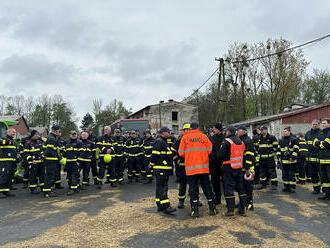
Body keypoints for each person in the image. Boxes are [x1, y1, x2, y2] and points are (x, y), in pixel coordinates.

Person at [178, 122, 217, 218]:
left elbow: (181, 153)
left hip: (191, 169)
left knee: (193, 188)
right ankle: (212, 209)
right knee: (207, 187)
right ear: (198, 127)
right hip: (203, 167)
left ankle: (195, 211)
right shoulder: (204, 136)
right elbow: (210, 150)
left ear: (190, 128)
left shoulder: (185, 138)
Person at [218, 126, 247, 216]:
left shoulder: (227, 141)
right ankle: (243, 210)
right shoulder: (241, 142)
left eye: (226, 131)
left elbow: (220, 155)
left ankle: (230, 210)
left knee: (229, 188)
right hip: (239, 167)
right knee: (240, 188)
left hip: (228, 167)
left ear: (229, 132)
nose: (225, 133)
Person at [150, 126, 176, 214]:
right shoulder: (159, 141)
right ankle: (166, 206)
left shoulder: (164, 141)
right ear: (163, 133)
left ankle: (160, 205)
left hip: (163, 168)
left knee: (160, 187)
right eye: (168, 132)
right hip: (161, 168)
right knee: (163, 187)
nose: (169, 133)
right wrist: (151, 164)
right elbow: (155, 155)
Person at [237, 125, 255, 210]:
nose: (237, 131)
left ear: (244, 131)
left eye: (239, 130)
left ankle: (249, 203)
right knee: (242, 187)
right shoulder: (241, 140)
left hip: (247, 168)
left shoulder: (247, 141)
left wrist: (247, 168)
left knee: (248, 187)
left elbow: (249, 156)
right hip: (242, 167)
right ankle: (243, 202)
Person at [256, 126, 279, 190]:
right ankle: (263, 184)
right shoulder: (259, 138)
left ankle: (274, 184)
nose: (261, 131)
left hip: (270, 158)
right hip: (262, 158)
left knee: (272, 171)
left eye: (262, 130)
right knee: (262, 171)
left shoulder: (271, 137)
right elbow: (257, 148)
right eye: (261, 130)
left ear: (266, 130)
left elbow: (276, 146)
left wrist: (271, 151)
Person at [278, 127, 299, 193]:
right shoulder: (281, 140)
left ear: (289, 132)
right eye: (284, 131)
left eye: (286, 131)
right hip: (284, 161)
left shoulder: (293, 139)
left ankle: (292, 187)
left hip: (291, 161)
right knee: (284, 174)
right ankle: (286, 186)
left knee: (291, 175)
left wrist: (293, 157)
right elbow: (279, 150)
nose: (284, 132)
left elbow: (296, 149)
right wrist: (279, 157)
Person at [42, 125, 61, 198]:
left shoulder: (50, 137)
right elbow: (49, 150)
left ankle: (48, 189)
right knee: (49, 176)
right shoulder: (51, 138)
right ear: (54, 131)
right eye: (58, 131)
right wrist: (44, 156)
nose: (58, 132)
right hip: (50, 160)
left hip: (51, 159)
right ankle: (47, 192)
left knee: (50, 175)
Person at [313, 118, 330, 200]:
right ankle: (326, 193)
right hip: (322, 160)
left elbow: (326, 144)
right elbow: (314, 143)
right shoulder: (321, 133)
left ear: (329, 124)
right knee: (324, 178)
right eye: (322, 123)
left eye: (324, 123)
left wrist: (320, 143)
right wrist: (320, 143)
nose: (323, 125)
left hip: (329, 160)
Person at [209, 122, 225, 205]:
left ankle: (228, 200)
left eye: (215, 129)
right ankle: (217, 199)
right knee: (215, 183)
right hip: (213, 164)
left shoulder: (225, 138)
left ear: (219, 129)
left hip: (223, 164)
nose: (214, 130)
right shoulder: (211, 138)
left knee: (225, 182)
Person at [0, 128, 18, 198]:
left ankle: (6, 191)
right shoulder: (3, 138)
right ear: (8, 132)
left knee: (9, 177)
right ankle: (1, 192)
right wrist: (8, 141)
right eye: (13, 132)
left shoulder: (13, 141)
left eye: (15, 132)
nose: (14, 133)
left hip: (12, 162)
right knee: (3, 176)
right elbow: (2, 142)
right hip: (5, 162)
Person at [305, 120, 322, 193]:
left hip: (319, 158)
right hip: (310, 158)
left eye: (316, 124)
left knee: (322, 175)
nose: (314, 125)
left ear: (318, 125)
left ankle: (325, 190)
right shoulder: (308, 133)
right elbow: (306, 145)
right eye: (313, 124)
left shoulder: (321, 133)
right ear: (311, 124)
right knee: (313, 175)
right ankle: (316, 189)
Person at [65, 130, 82, 196]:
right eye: (72, 134)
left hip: (75, 162)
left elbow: (81, 152)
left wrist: (78, 161)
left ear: (77, 135)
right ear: (70, 135)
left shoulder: (79, 142)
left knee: (74, 175)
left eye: (75, 134)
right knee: (69, 175)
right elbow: (64, 151)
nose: (74, 135)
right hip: (68, 162)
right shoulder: (66, 142)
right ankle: (72, 186)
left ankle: (73, 189)